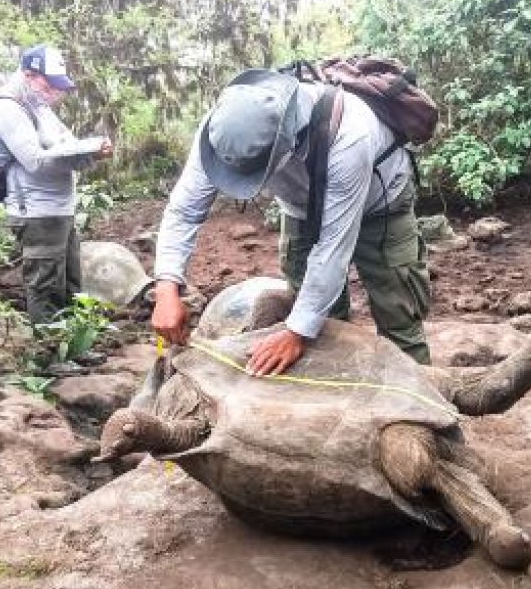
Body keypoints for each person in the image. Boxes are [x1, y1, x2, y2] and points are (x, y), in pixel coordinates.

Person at [152, 69, 431, 376]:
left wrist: (296, 332)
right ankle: (336, 389)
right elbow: (183, 211)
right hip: (301, 208)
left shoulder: (351, 134)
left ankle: (421, 394)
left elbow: (333, 248)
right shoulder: (222, 133)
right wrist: (166, 289)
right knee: (323, 326)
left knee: (398, 317)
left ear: (287, 144)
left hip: (381, 207)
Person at [0, 44, 113, 323]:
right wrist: (85, 153)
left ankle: (74, 341)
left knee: (70, 284)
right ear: (29, 75)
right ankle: (49, 347)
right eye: (50, 84)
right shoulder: (7, 108)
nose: (55, 91)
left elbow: (67, 143)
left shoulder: (39, 106)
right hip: (36, 214)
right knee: (45, 288)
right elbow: (35, 162)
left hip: (59, 210)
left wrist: (91, 152)